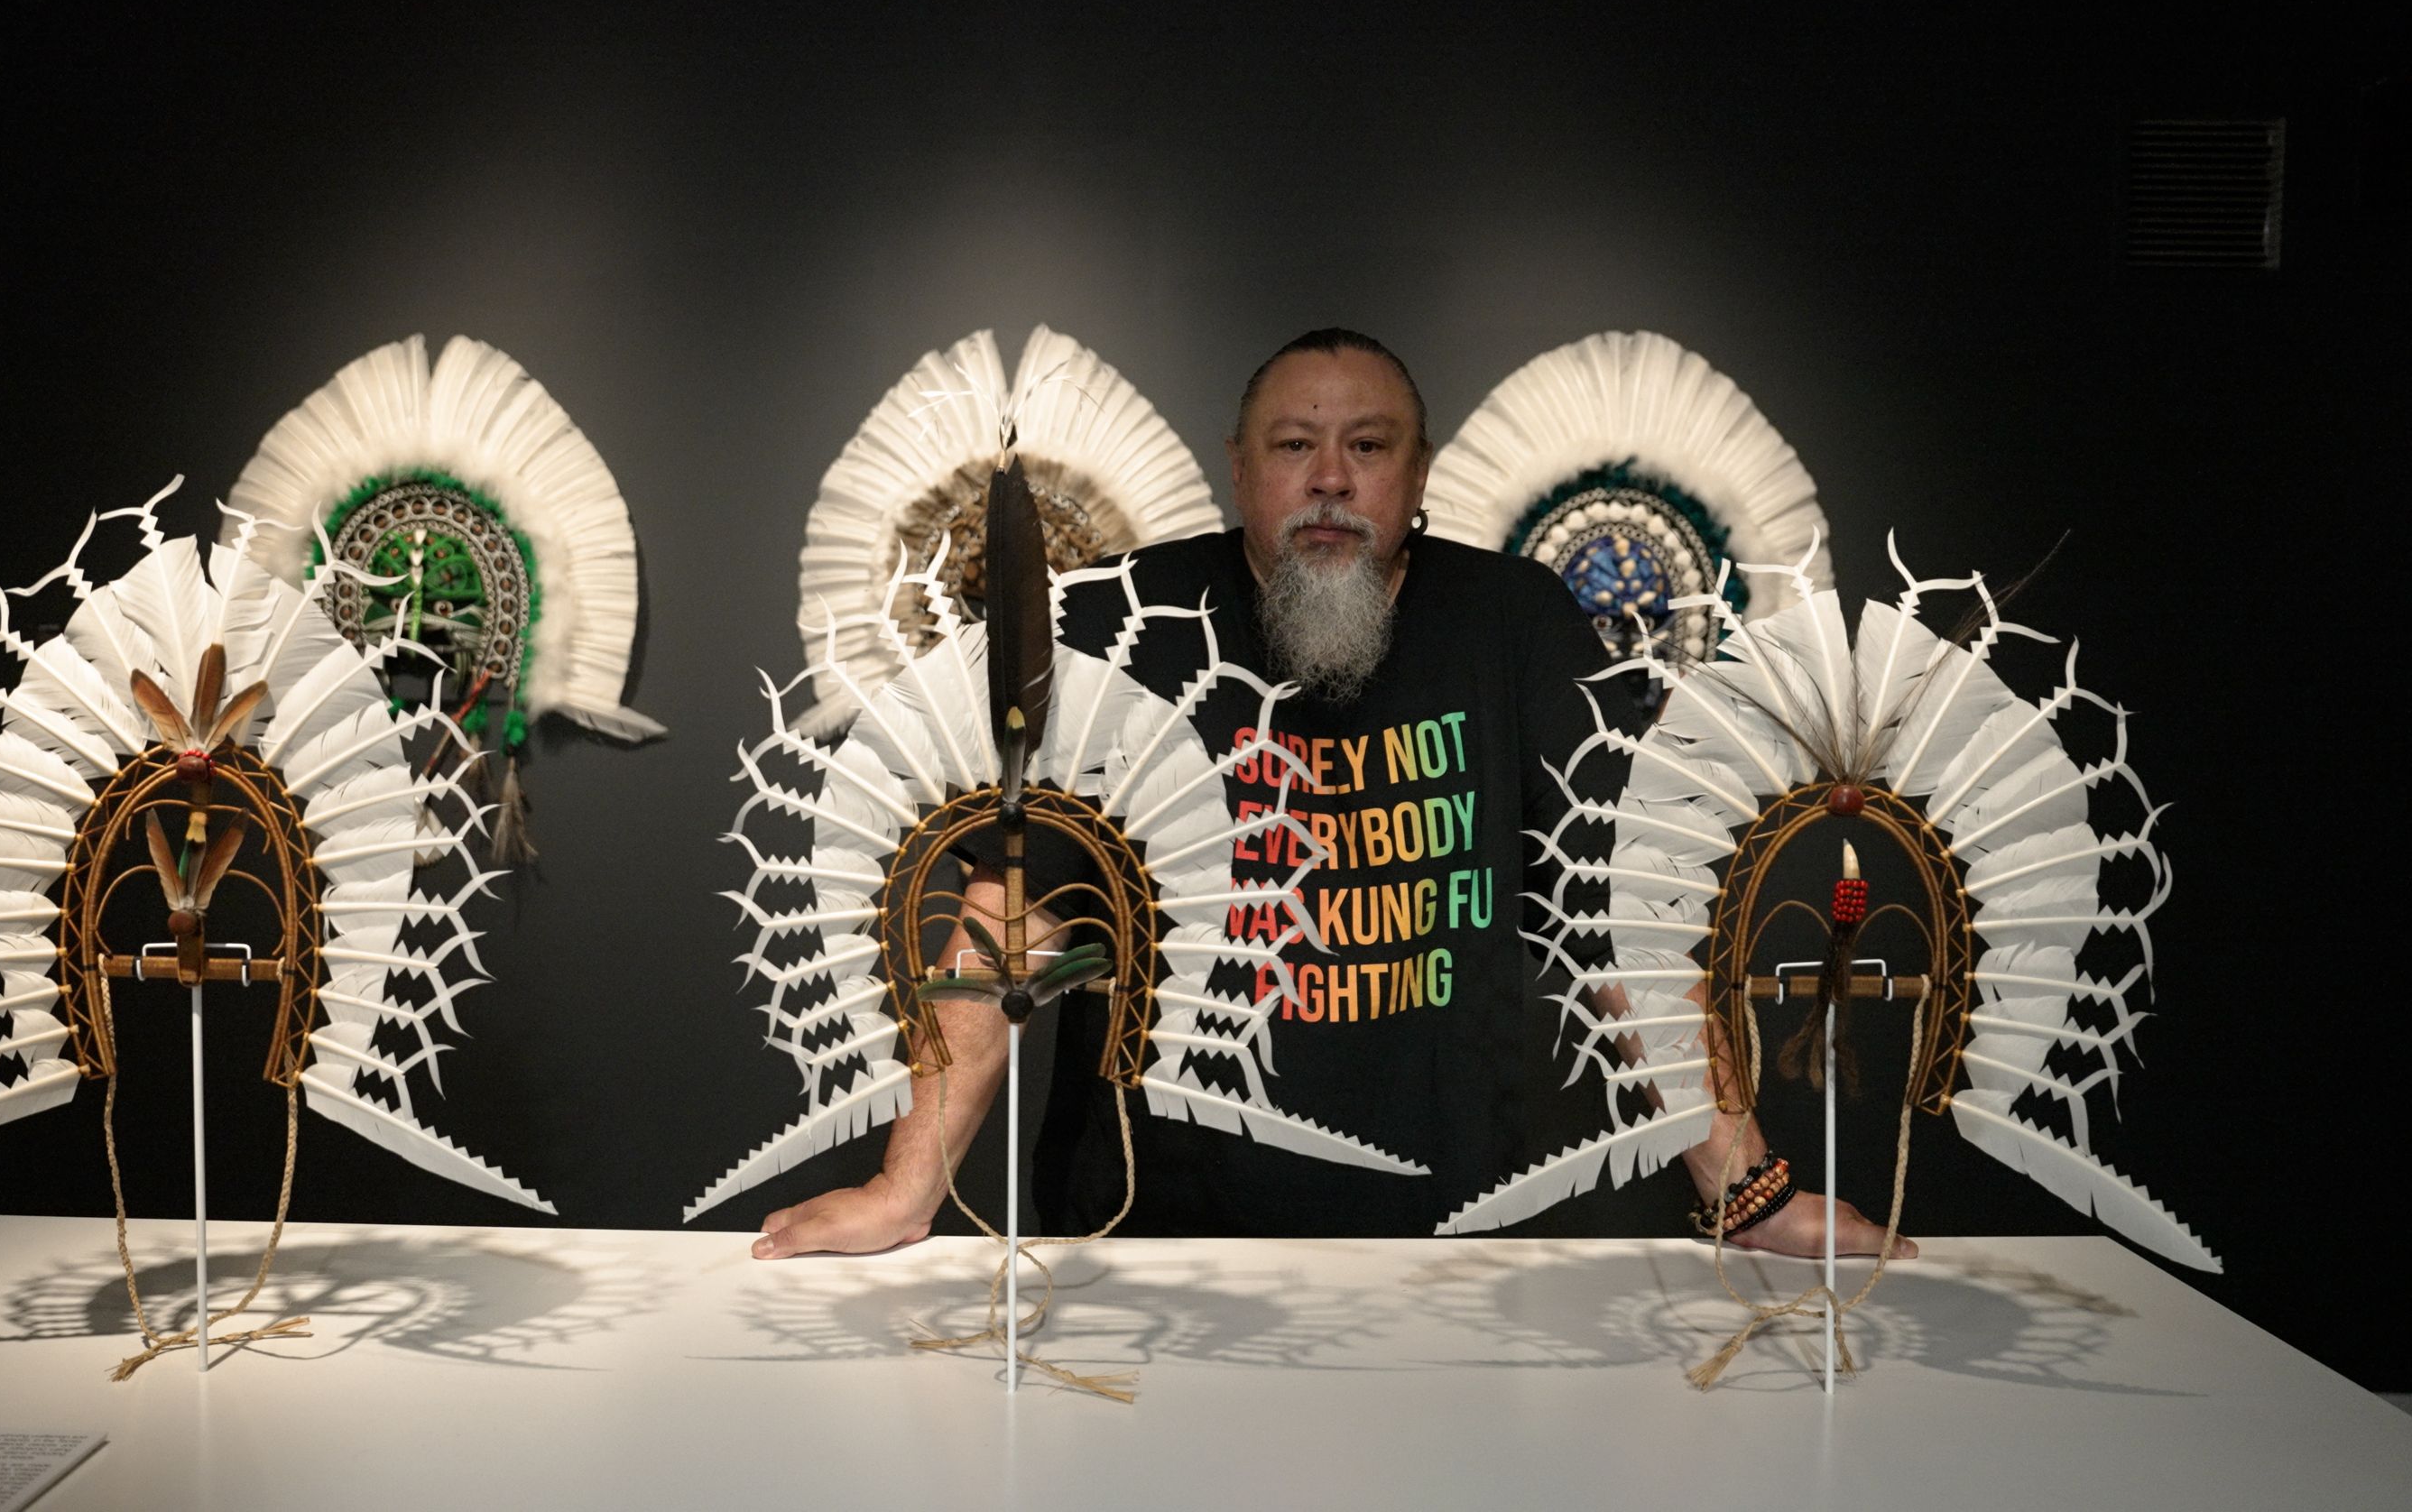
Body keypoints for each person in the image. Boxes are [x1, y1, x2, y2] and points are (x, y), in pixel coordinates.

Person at [753, 328, 1912, 1261]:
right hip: (1152, 1244)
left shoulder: (1515, 623)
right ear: (1239, 467)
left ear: (1419, 472)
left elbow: (1615, 918)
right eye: (1294, 445)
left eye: (1367, 445)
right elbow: (1018, 907)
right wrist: (907, 1184)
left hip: (1449, 1237)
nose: (1329, 479)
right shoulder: (1121, 621)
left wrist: (1747, 1187)